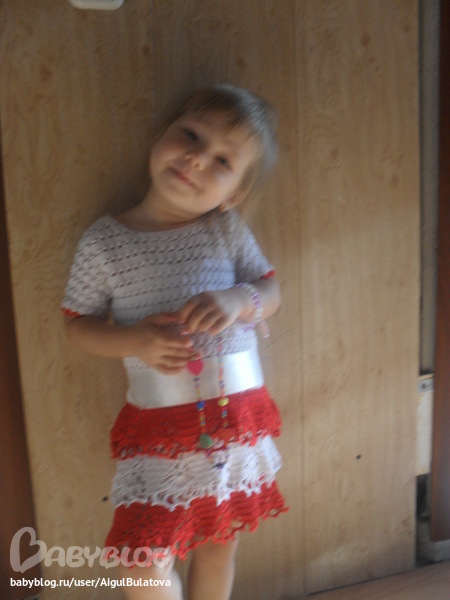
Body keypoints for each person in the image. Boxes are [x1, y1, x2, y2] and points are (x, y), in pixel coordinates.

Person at [62, 84, 288, 600]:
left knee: (219, 546)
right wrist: (133, 341)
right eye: (190, 135)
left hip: (234, 425)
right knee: (140, 562)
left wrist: (239, 300)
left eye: (223, 161)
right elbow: (76, 323)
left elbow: (270, 289)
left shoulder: (225, 229)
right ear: (161, 134)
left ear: (232, 195)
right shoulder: (106, 242)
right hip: (160, 434)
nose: (197, 158)